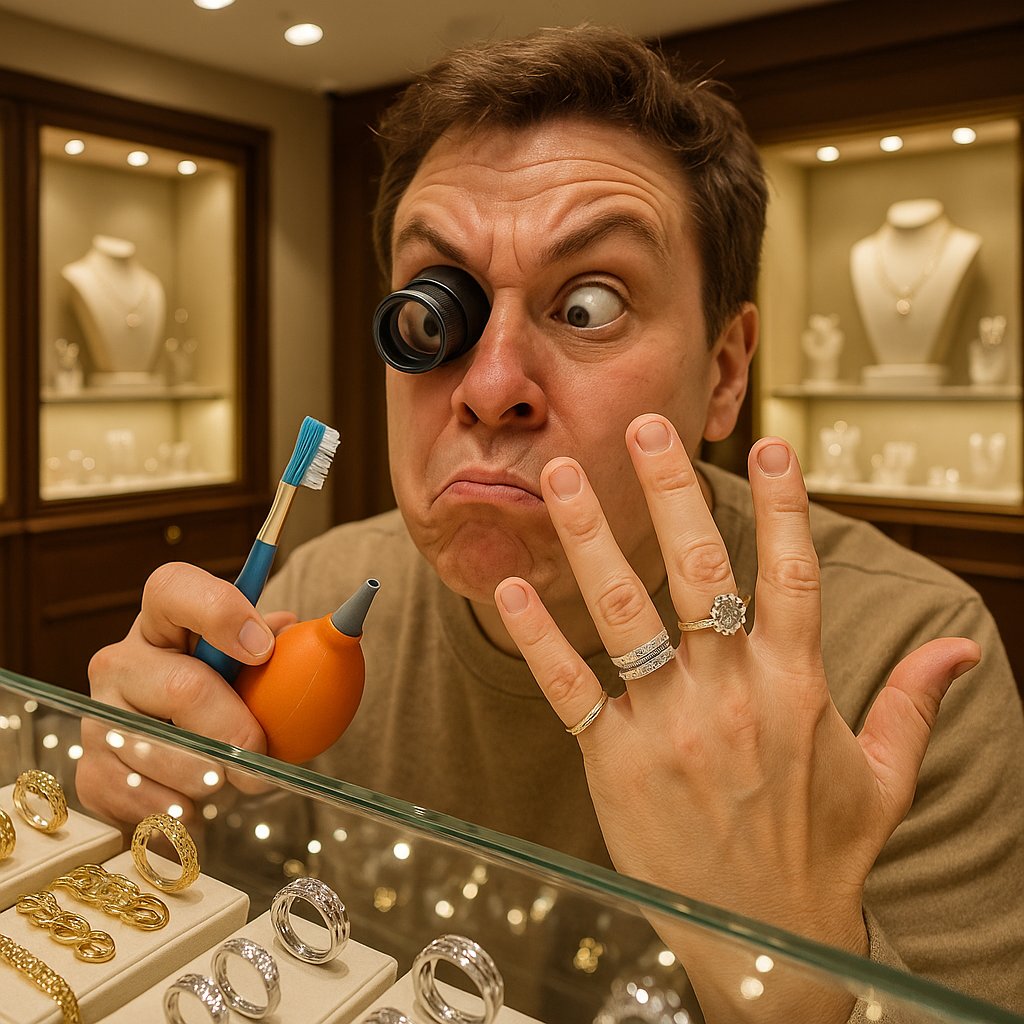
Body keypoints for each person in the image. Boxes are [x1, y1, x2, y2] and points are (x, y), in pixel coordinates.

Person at [81, 25, 1024, 1020]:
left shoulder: (903, 663)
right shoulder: (314, 599)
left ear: (725, 369)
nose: (488, 386)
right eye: (432, 309)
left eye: (587, 305)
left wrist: (794, 966)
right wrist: (137, 803)